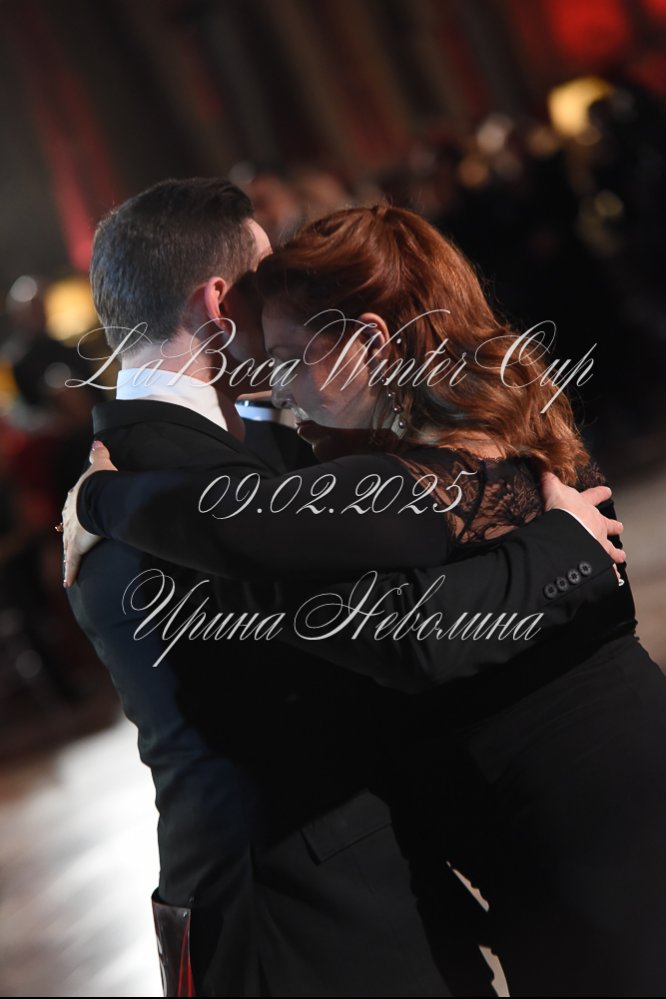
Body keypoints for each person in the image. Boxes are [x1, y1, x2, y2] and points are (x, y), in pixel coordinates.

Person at [63, 189, 627, 997]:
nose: (287, 300)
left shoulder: (207, 448)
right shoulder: (170, 474)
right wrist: (565, 546)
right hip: (302, 913)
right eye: (267, 278)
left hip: (353, 880)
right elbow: (403, 635)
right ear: (220, 304)